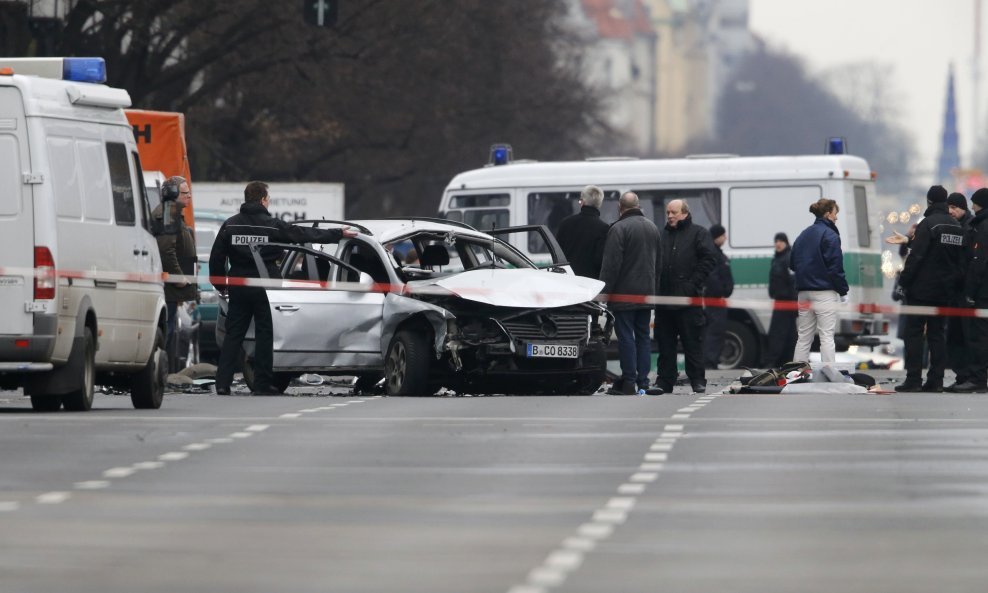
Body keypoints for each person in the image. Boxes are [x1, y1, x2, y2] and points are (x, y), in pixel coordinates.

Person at [209, 181, 357, 395]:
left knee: (234, 335)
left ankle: (222, 384)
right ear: (262, 200)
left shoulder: (230, 225)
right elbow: (302, 234)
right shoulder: (272, 225)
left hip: (239, 284)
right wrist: (337, 234)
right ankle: (261, 384)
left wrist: (221, 284)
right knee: (264, 333)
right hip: (267, 285)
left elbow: (217, 258)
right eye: (268, 199)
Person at [894, 185, 965, 392]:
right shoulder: (956, 226)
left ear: (929, 202)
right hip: (945, 292)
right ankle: (936, 380)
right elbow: (961, 262)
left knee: (914, 333)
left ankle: (914, 379)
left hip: (921, 291)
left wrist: (904, 282)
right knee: (937, 335)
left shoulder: (927, 225)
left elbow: (916, 257)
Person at [599, 192, 662, 395]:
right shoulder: (652, 227)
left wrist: (604, 293)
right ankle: (643, 382)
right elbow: (658, 264)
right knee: (643, 337)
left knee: (626, 337)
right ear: (639, 205)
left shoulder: (618, 229)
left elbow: (611, 265)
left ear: (620, 207)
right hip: (646, 294)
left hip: (624, 294)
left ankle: (629, 381)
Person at [655, 199, 717, 394]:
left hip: (689, 301)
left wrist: (692, 284)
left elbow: (709, 259)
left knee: (692, 343)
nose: (670, 216)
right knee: (665, 345)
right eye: (668, 213)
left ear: (685, 213)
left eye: (674, 212)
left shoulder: (699, 233)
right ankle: (665, 381)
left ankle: (697, 380)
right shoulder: (662, 235)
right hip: (665, 300)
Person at [790, 198, 848, 364]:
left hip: (803, 293)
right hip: (824, 292)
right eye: (835, 214)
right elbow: (835, 268)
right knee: (826, 336)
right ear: (828, 213)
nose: (836, 217)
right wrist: (843, 291)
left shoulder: (803, 234)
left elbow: (793, 264)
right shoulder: (830, 235)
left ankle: (796, 373)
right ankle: (829, 373)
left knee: (803, 336)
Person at [152, 176, 197, 373]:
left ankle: (163, 373)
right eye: (185, 192)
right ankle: (160, 373)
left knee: (170, 328)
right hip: (169, 285)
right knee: (167, 330)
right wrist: (178, 278)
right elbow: (166, 251)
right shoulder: (169, 214)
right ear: (173, 195)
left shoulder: (173, 213)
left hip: (171, 286)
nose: (189, 196)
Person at [954, 188, 988, 392]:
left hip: (982, 292)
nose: (972, 206)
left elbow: (979, 261)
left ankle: (977, 378)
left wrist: (970, 291)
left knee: (979, 337)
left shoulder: (982, 226)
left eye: (974, 202)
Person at [945, 192, 975, 391]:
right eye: (949, 208)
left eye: (955, 207)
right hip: (955, 292)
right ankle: (962, 375)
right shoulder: (952, 227)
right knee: (955, 336)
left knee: (967, 336)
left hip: (966, 292)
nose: (951, 211)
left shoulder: (972, 227)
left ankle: (971, 376)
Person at [555, 185, 610, 278]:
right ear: (599, 204)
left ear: (582, 202)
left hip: (567, 278)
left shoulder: (565, 223)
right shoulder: (603, 228)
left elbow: (557, 253)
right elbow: (600, 260)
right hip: (590, 281)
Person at [764, 232, 798, 368]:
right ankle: (785, 361)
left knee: (779, 333)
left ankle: (773, 362)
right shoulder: (776, 259)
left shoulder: (788, 258)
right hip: (779, 301)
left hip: (787, 302)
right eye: (776, 241)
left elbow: (793, 282)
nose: (777, 244)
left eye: (780, 241)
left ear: (786, 243)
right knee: (788, 334)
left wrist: (794, 303)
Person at [702, 223, 734, 369]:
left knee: (717, 330)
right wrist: (721, 291)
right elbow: (713, 277)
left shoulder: (716, 253)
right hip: (715, 299)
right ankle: (709, 361)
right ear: (717, 237)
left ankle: (711, 360)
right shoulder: (713, 254)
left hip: (717, 299)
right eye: (723, 235)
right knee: (715, 331)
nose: (725, 238)